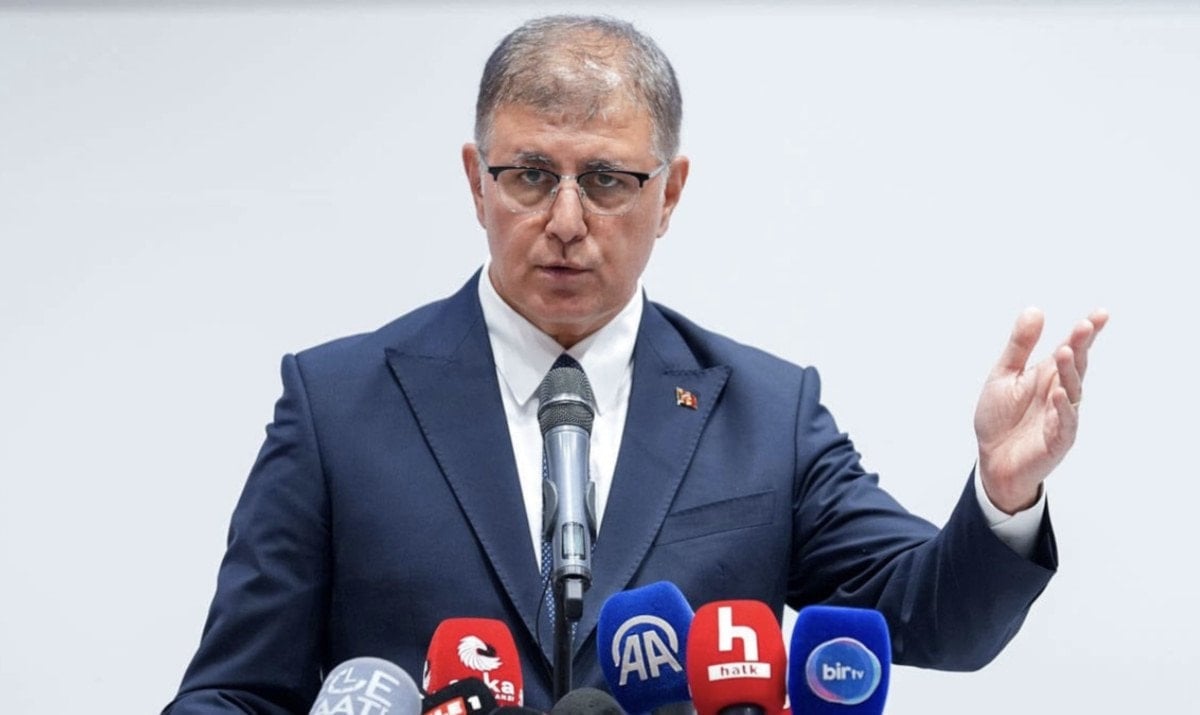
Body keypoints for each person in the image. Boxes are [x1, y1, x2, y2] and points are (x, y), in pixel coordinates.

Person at [164, 15, 1107, 713]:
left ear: (671, 194)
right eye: (531, 175)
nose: (566, 220)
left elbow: (937, 621)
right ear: (475, 182)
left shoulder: (768, 415)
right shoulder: (336, 405)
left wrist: (1004, 495)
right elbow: (234, 690)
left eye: (609, 179)